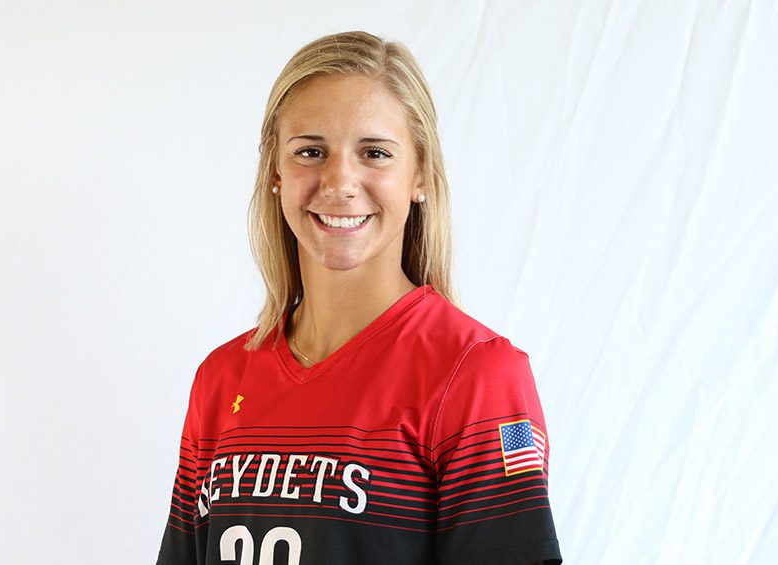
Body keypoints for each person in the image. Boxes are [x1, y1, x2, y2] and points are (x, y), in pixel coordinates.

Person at [156, 31, 562, 565]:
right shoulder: (222, 378)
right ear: (276, 172)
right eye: (310, 151)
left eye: (374, 153)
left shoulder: (479, 376)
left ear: (419, 174)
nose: (340, 181)